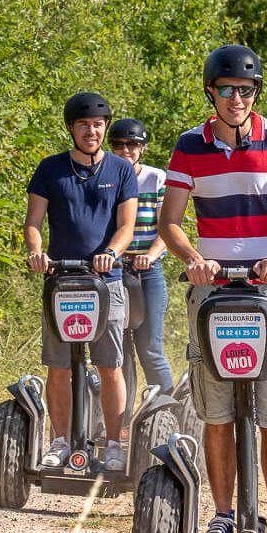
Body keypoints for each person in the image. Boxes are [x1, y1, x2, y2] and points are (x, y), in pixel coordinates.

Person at [158, 44, 267, 533]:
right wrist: (192, 257)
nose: (237, 99)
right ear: (211, 93)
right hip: (212, 287)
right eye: (227, 90)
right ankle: (222, 517)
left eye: (246, 91)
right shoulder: (188, 147)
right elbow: (171, 222)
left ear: (255, 94)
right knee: (215, 407)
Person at [25, 92, 139, 472]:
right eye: (83, 125)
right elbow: (33, 224)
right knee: (58, 366)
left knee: (110, 365)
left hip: (107, 280)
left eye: (97, 125)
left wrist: (111, 251)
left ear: (105, 128)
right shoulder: (50, 169)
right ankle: (59, 441)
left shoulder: (121, 171)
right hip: (62, 279)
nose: (91, 131)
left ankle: (113, 444)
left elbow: (126, 226)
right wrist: (36, 253)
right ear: (71, 129)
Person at [108, 117, 172, 394]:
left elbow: (168, 228)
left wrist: (150, 255)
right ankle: (121, 421)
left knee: (149, 349)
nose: (126, 150)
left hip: (147, 271)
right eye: (119, 145)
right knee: (117, 351)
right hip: (113, 270)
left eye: (132, 145)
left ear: (142, 148)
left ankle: (168, 412)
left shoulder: (156, 178)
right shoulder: (104, 178)